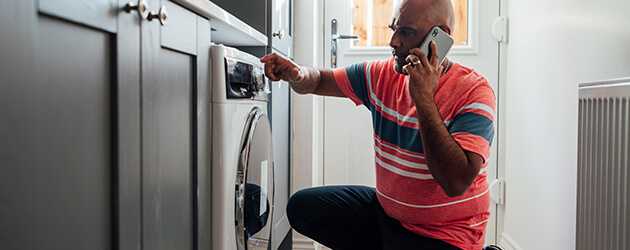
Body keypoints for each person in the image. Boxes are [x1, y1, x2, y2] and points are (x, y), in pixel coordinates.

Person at [260, 0, 496, 249]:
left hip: (447, 236)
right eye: (393, 28)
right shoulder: (381, 74)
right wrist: (297, 73)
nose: (393, 41)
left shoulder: (474, 91)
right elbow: (319, 80)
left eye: (406, 31)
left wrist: (424, 99)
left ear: (440, 36)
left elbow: (455, 183)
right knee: (302, 207)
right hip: (388, 217)